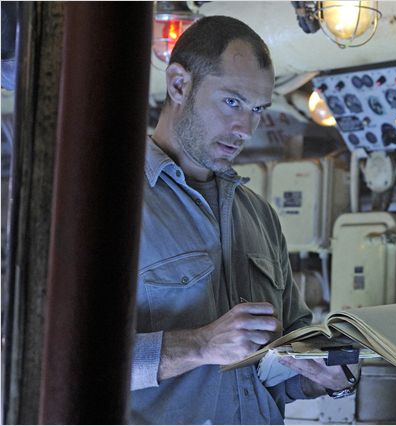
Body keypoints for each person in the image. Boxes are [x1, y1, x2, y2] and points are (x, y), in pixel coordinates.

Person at [129, 15, 356, 424]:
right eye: (232, 102)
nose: (245, 129)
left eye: (257, 110)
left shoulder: (260, 216)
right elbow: (62, 360)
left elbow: (276, 369)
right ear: (179, 85)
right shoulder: (110, 206)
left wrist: (324, 378)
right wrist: (201, 345)